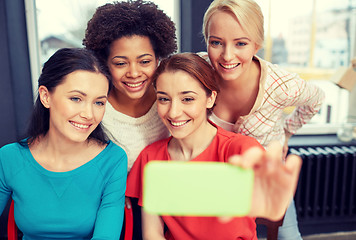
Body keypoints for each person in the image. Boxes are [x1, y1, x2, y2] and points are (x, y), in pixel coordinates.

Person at [126, 53, 302, 240]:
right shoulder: (151, 157)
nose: (174, 112)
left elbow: (267, 194)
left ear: (210, 98)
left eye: (187, 99)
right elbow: (152, 234)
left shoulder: (240, 149)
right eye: (164, 99)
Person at [200, 0, 325, 238]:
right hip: (216, 183)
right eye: (216, 42)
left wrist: (288, 132)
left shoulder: (282, 85)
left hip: (267, 180)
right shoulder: (196, 71)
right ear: (206, 40)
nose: (227, 55)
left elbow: (316, 99)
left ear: (256, 44)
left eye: (241, 43)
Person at [0, 48, 127, 239]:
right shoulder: (10, 158)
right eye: (76, 98)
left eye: (99, 103)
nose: (89, 115)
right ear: (45, 96)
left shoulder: (113, 160)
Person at [83, 0, 177, 172]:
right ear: (105, 63)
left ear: (158, 59)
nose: (134, 73)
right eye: (120, 63)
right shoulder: (94, 109)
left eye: (145, 61)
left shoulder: (173, 98)